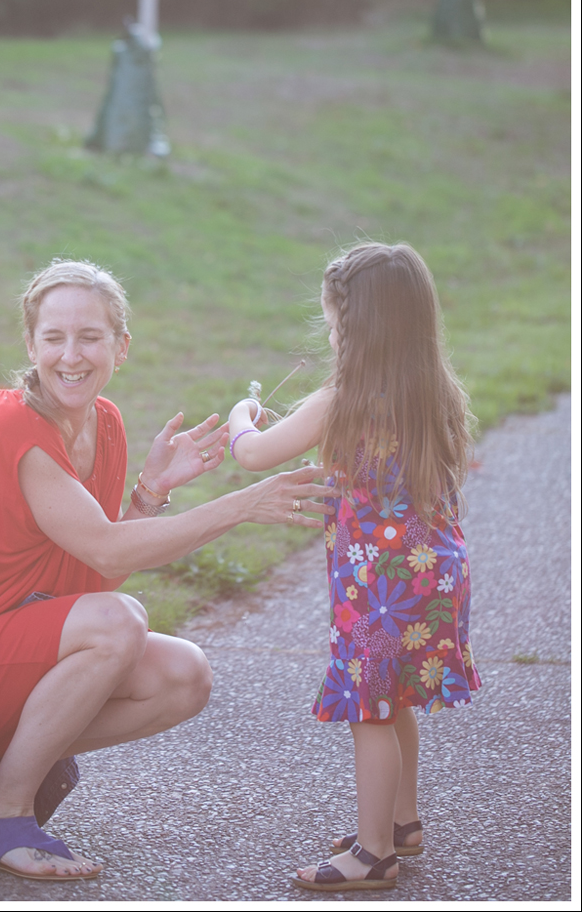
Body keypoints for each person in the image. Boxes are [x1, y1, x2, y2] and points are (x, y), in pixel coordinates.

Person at [0, 258, 332, 883]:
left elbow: (83, 582)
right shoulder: (12, 427)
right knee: (118, 624)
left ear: (121, 346)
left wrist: (151, 491)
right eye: (53, 337)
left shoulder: (103, 424)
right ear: (30, 344)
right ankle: (1, 819)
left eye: (90, 337)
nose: (70, 355)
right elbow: (108, 561)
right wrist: (243, 504)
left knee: (183, 675)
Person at [227, 242, 481, 894]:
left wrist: (240, 420)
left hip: (378, 592)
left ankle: (373, 856)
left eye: (336, 324)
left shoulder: (340, 400)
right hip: (435, 578)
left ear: (357, 328)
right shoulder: (436, 392)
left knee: (369, 710)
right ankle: (402, 823)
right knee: (393, 701)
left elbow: (255, 456)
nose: (332, 336)